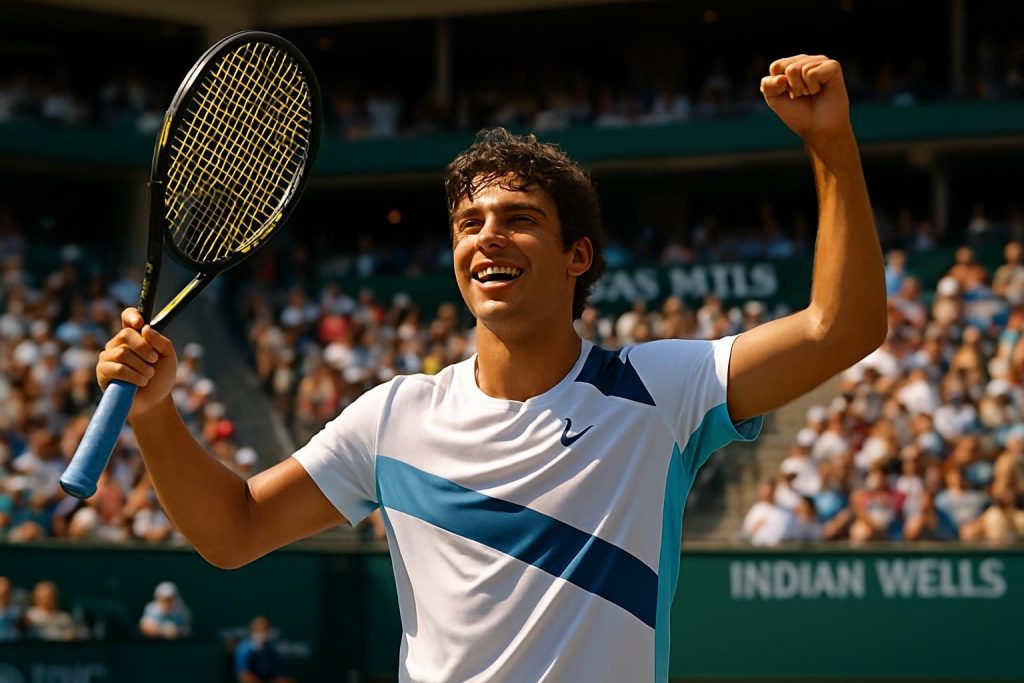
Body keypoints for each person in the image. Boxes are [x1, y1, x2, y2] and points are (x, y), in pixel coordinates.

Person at [93, 55, 885, 682]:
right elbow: (233, 530)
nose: (487, 237)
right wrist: (158, 415)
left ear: (579, 256)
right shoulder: (393, 416)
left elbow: (840, 328)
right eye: (469, 223)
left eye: (519, 220)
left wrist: (831, 147)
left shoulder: (658, 389)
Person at [234, 615, 294, 683]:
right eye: (260, 629)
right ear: (252, 631)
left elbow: (278, 675)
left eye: (266, 629)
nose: (263, 633)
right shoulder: (244, 649)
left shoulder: (271, 650)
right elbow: (244, 677)